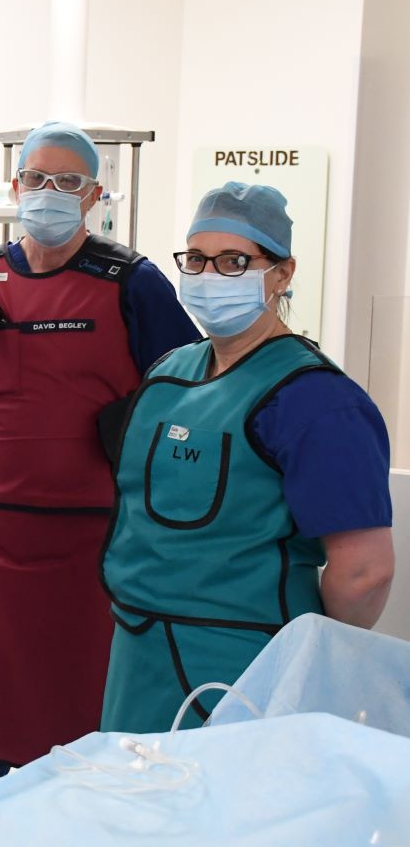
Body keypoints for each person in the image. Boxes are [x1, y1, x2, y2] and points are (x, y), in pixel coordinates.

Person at [0, 122, 199, 787]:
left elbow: (185, 398)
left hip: (95, 541)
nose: (48, 192)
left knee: (87, 726)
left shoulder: (131, 283)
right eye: (36, 178)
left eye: (68, 182)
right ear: (15, 185)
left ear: (95, 195)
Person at [102, 182, 395, 733]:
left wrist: (306, 659)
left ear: (282, 274)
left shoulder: (315, 400)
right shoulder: (169, 373)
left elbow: (365, 572)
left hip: (245, 666)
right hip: (138, 652)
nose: (209, 276)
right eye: (196, 259)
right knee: (135, 806)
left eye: (235, 261)